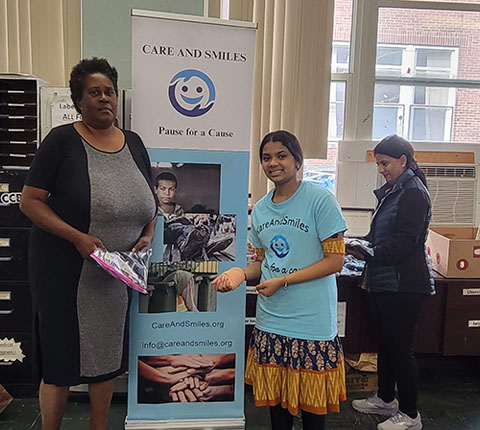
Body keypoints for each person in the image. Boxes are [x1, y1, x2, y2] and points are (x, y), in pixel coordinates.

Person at [19, 57, 157, 430]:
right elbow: (29, 201)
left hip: (114, 274)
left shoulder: (134, 143)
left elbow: (149, 204)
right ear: (78, 100)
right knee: (61, 359)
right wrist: (76, 236)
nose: (104, 98)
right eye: (94, 92)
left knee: (106, 355)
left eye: (109, 91)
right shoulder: (61, 141)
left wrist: (147, 235)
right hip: (64, 270)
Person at [212, 130, 347, 430]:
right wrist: (240, 274)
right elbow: (262, 263)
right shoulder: (260, 209)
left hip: (311, 323)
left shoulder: (320, 201)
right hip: (271, 321)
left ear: (297, 160)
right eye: (266, 157)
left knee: (313, 413)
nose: (273, 163)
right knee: (277, 412)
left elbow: (335, 261)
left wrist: (283, 281)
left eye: (281, 155)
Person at [346, 135, 434, 430]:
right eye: (378, 164)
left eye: (385, 163)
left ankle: (410, 415)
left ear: (403, 161)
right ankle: (385, 399)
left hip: (406, 285)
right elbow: (380, 237)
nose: (381, 169)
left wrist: (369, 252)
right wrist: (356, 243)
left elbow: (406, 242)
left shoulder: (413, 193)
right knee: (385, 345)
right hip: (385, 283)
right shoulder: (394, 192)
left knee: (401, 351)